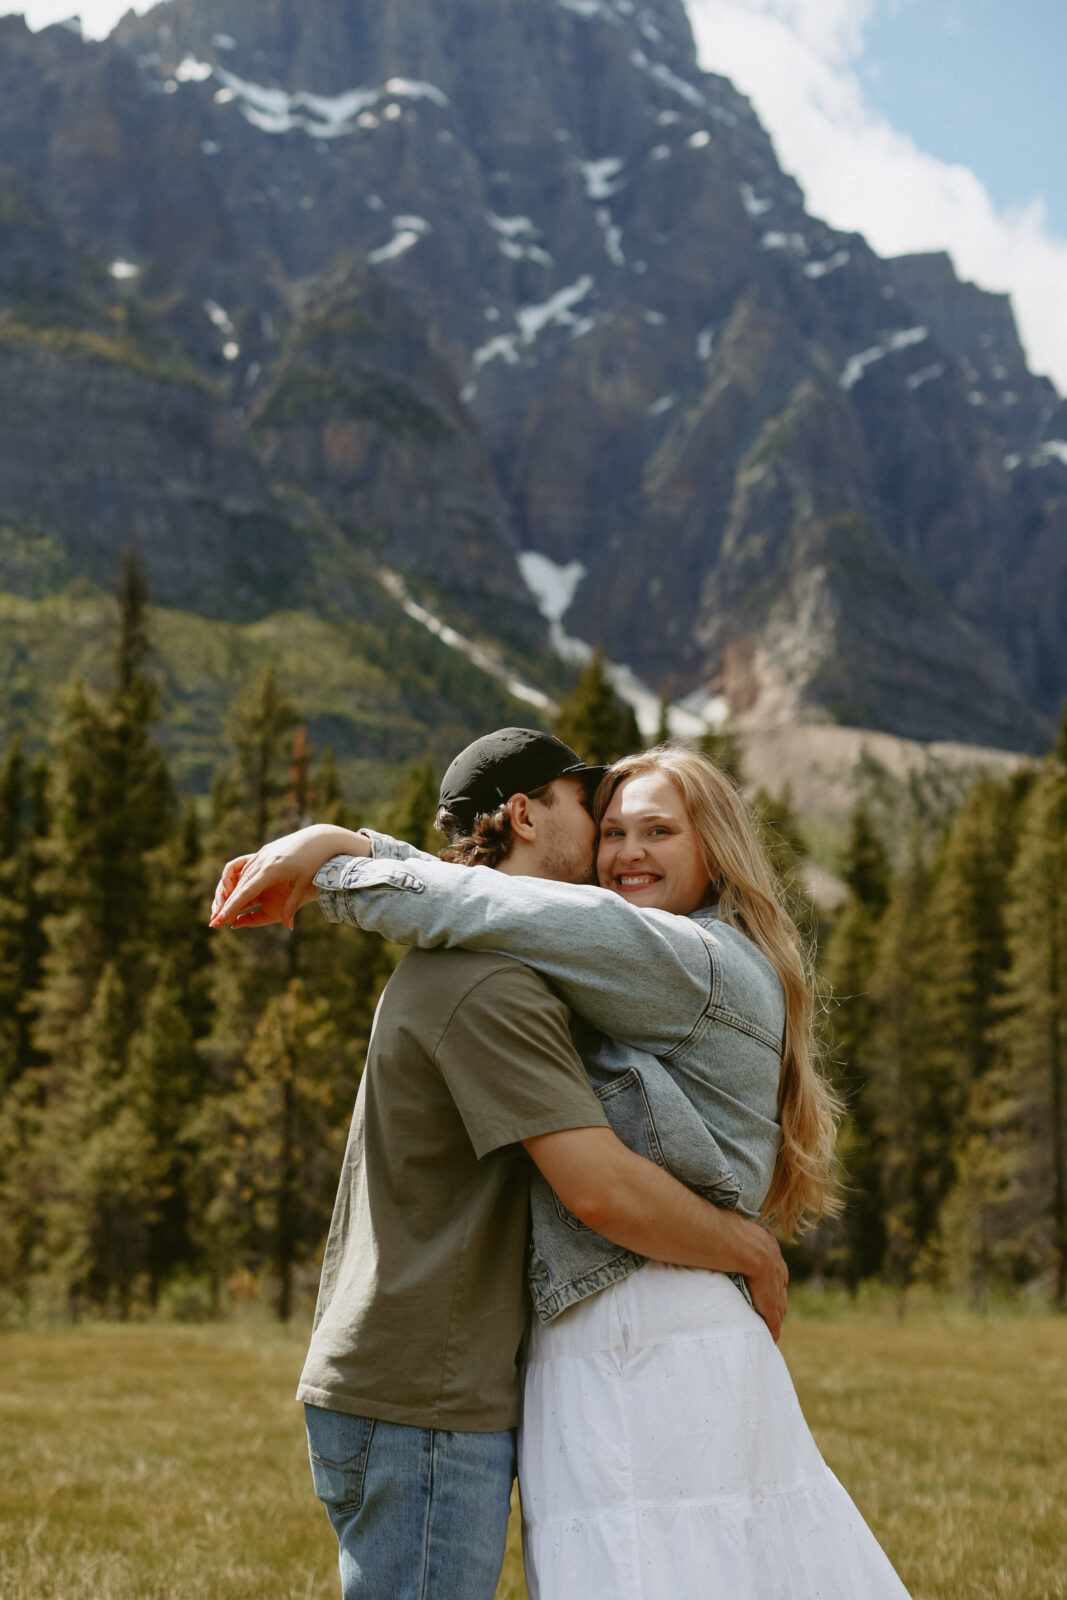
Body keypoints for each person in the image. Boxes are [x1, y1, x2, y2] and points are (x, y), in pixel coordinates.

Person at [215, 733, 912, 1598]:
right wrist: (749, 1248)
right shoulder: (514, 976)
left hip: (641, 1330)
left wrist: (337, 855)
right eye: (608, 824)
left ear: (715, 850)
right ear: (522, 816)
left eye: (656, 832)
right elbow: (494, 908)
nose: (621, 852)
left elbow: (494, 907)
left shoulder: (680, 959)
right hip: (574, 1342)